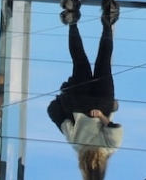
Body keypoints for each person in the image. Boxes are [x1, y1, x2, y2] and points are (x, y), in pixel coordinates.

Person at [47, 19, 123, 180]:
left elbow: (115, 130)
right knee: (79, 59)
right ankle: (73, 24)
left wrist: (101, 116)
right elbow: (58, 116)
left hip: (103, 103)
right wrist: (64, 100)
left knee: (104, 60)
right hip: (81, 103)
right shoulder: (76, 144)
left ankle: (107, 24)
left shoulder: (109, 149)